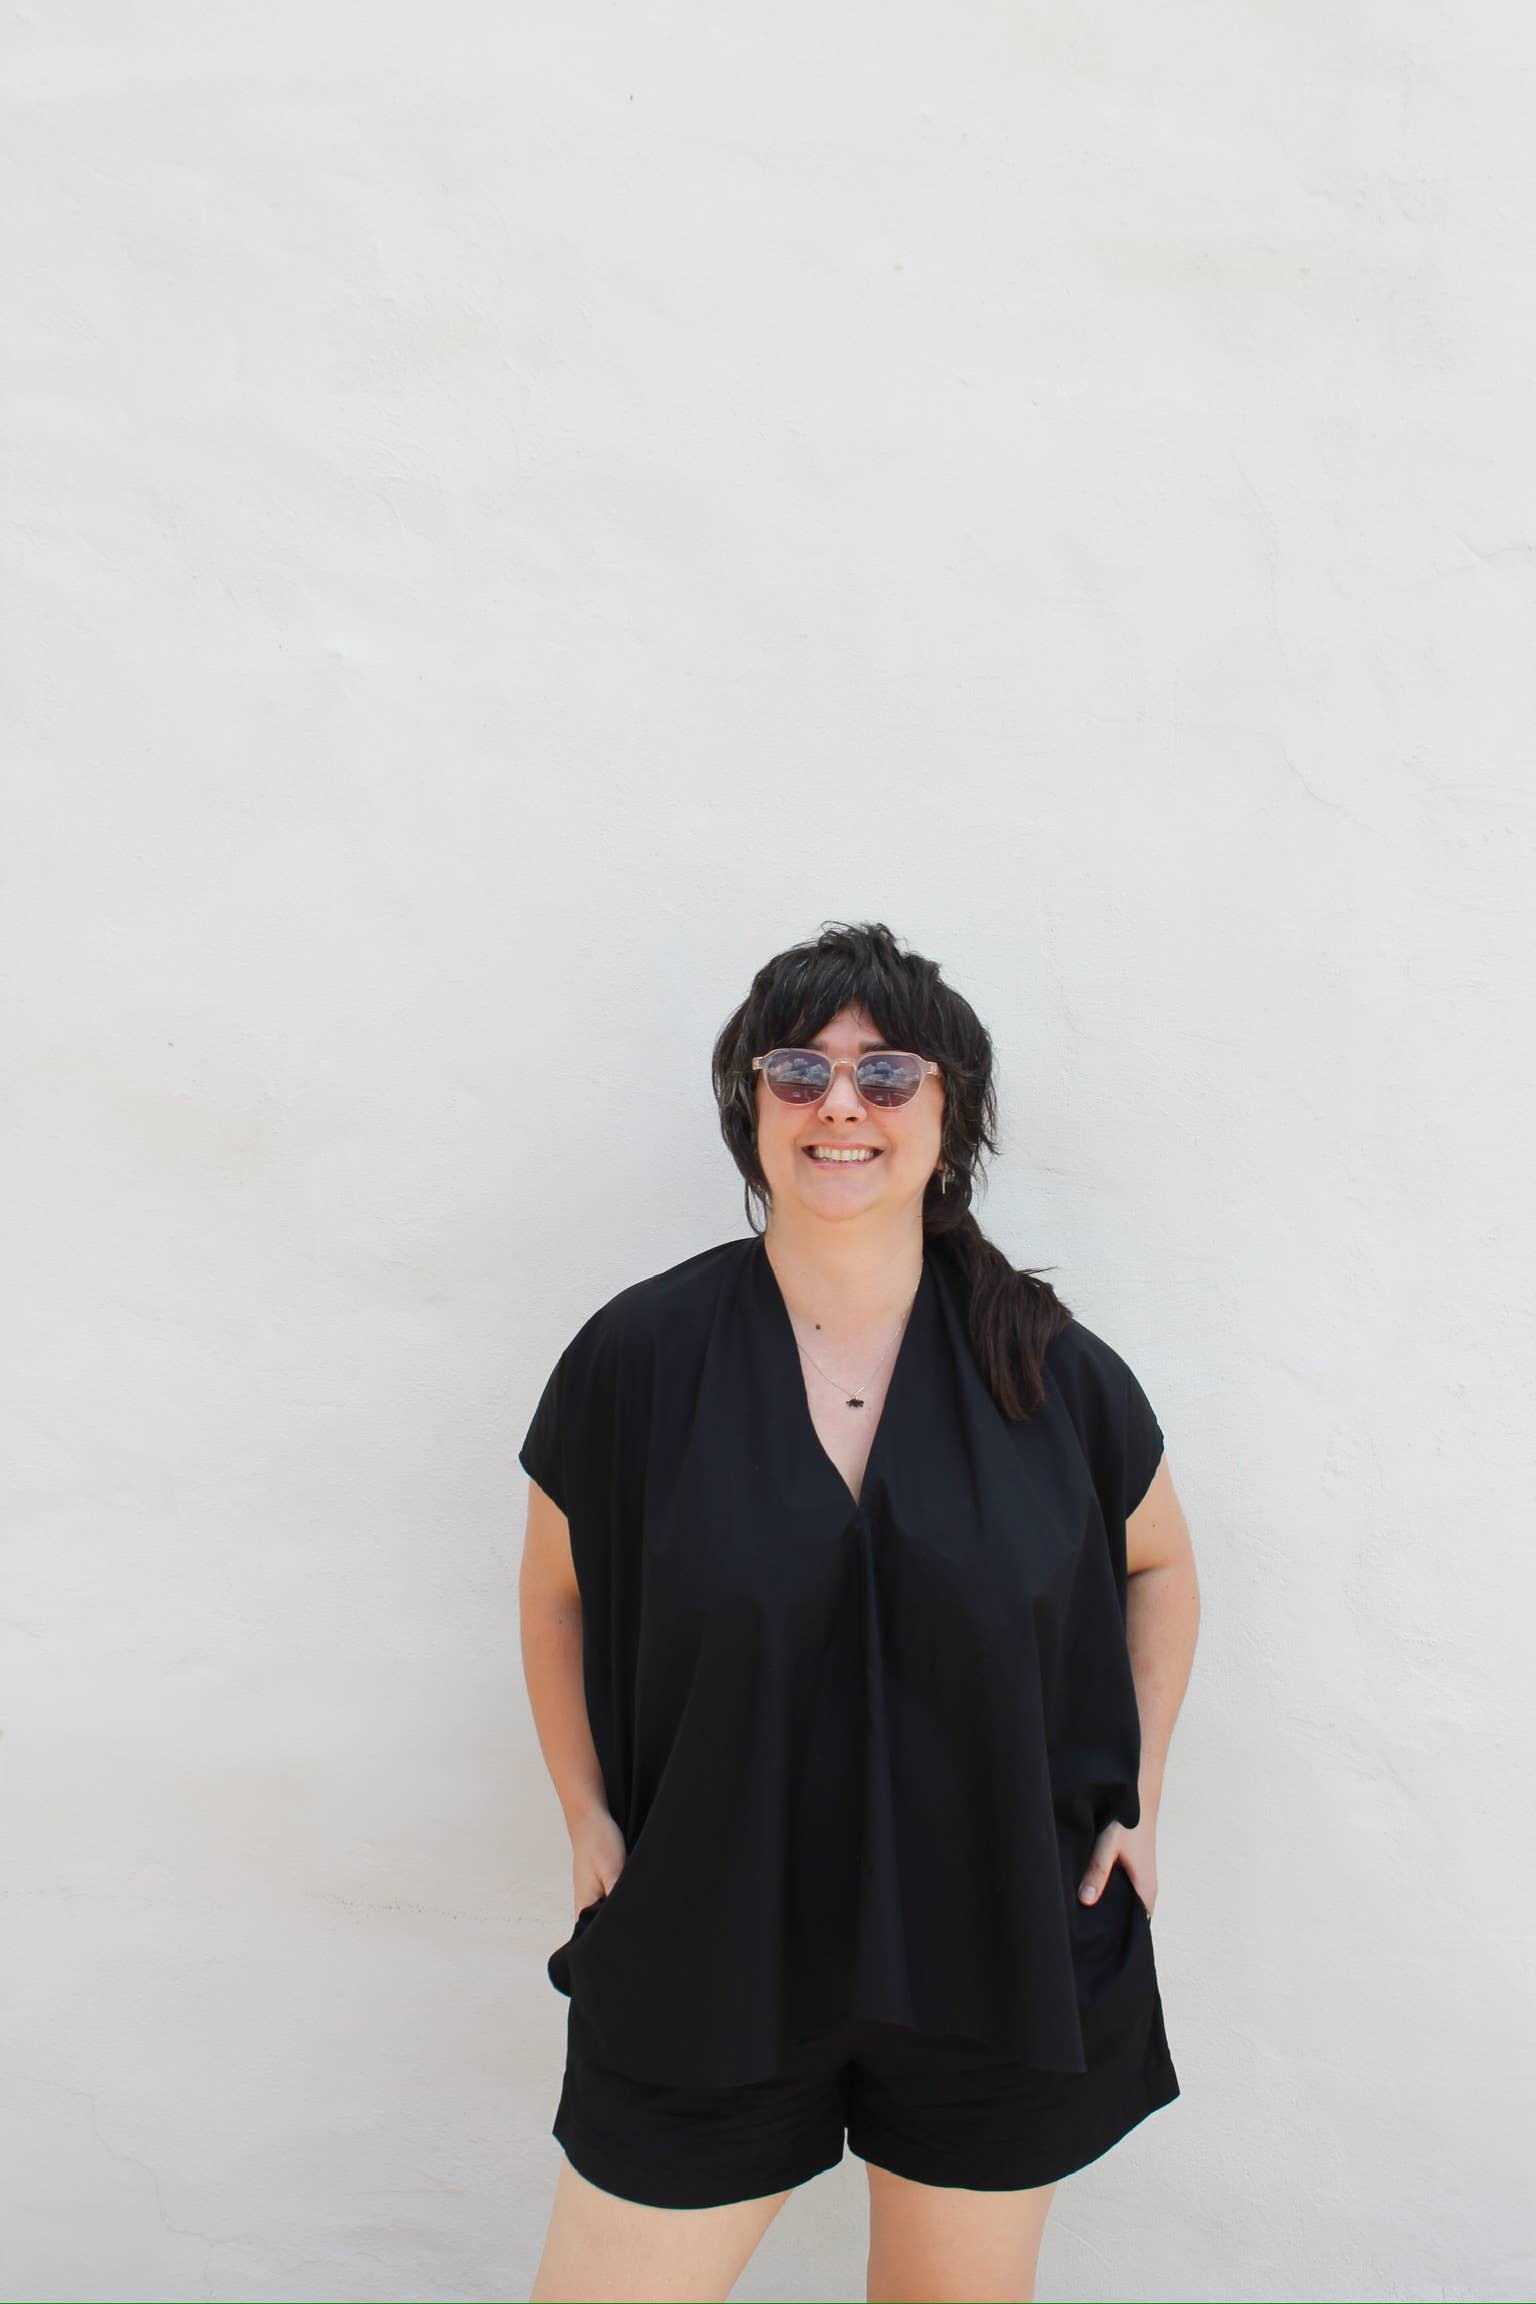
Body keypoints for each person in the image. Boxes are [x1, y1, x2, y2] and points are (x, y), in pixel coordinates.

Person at [518, 920, 1201, 2304]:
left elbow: (1162, 1567)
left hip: (997, 1942)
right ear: (752, 1109)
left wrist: (1138, 1792)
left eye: (887, 1073)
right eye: (799, 1071)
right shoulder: (640, 1359)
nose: (841, 1103)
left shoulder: (1049, 1372)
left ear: (949, 1118)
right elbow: (554, 1595)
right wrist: (586, 1815)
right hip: (709, 1934)